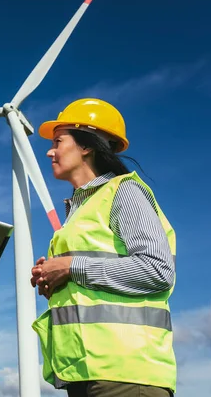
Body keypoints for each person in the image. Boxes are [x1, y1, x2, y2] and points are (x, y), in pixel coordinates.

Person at [29, 98, 177, 397]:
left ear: (86, 146)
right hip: (85, 372)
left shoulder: (124, 192)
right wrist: (54, 279)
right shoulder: (77, 213)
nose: (49, 151)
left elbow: (158, 270)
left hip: (127, 372)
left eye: (58, 141)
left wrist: (70, 267)